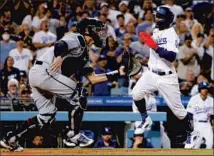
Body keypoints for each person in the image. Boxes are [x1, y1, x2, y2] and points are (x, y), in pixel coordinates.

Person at [0, 18, 125, 151]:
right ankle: (73, 135)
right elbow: (61, 44)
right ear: (88, 31)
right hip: (46, 72)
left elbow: (93, 79)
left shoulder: (84, 54)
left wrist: (119, 72)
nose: (101, 33)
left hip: (41, 75)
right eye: (98, 30)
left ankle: (12, 138)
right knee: (80, 94)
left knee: (46, 117)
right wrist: (59, 56)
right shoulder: (78, 38)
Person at [131, 6, 202, 149]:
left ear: (166, 20)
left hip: (166, 77)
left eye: (158, 17)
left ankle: (192, 134)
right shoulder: (156, 30)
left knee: (179, 112)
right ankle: (145, 119)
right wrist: (150, 41)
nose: (155, 18)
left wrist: (154, 46)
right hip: (151, 73)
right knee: (136, 94)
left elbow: (171, 56)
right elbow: (142, 32)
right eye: (156, 16)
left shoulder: (171, 34)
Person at [186, 81, 214, 149]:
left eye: (206, 88)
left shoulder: (211, 100)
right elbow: (189, 114)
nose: (205, 90)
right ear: (199, 90)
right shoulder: (193, 99)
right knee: (190, 145)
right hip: (196, 123)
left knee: (210, 144)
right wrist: (190, 125)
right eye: (203, 88)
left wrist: (213, 125)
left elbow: (212, 116)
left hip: (207, 124)